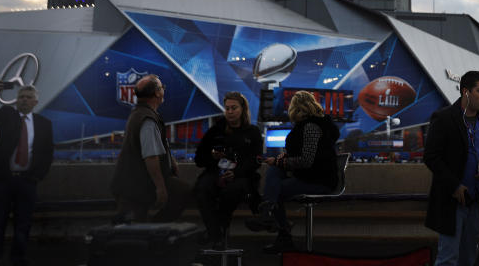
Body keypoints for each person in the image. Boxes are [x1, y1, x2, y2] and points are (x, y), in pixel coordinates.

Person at [246, 90, 340, 253]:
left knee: (276, 189)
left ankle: (280, 229)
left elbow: (306, 160)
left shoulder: (311, 126)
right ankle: (270, 216)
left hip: (319, 181)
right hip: (310, 176)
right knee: (275, 172)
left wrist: (279, 160)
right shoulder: (306, 126)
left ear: (297, 107)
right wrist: (282, 159)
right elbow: (307, 154)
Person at [424, 70, 479, 266]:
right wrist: (455, 186)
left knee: (468, 258)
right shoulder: (443, 118)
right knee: (448, 259)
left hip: (477, 200)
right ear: (466, 92)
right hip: (453, 201)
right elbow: (431, 157)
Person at [0, 81, 54, 266]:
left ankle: (18, 260)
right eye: (21, 97)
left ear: (35, 102)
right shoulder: (6, 116)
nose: (24, 100)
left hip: (27, 182)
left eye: (28, 97)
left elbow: (47, 153)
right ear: (16, 101)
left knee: (23, 225)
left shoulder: (44, 124)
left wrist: (37, 176)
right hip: (2, 180)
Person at [110, 74, 191, 222]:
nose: (163, 90)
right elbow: (151, 157)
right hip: (136, 186)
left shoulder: (140, 114)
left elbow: (156, 145)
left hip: (133, 183)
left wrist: (170, 160)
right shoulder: (147, 120)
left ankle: (154, 229)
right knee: (134, 233)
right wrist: (160, 188)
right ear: (157, 93)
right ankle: (156, 229)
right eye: (162, 87)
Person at [194, 91, 264, 248]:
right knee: (202, 189)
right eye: (227, 108)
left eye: (234, 108)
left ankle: (215, 233)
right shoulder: (215, 131)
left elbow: (256, 160)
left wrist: (237, 172)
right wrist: (212, 156)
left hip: (242, 176)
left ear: (242, 109)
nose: (230, 112)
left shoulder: (252, 132)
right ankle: (216, 233)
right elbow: (199, 159)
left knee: (232, 191)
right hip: (215, 172)